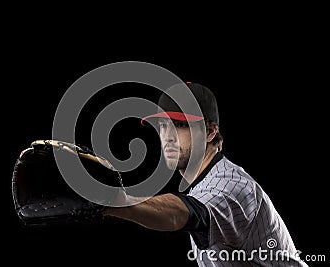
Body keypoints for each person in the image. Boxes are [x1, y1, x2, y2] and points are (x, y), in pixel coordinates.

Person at [101, 82, 307, 266]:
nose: (168, 137)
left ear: (210, 132)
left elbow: (191, 213)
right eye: (163, 126)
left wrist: (115, 201)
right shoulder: (202, 184)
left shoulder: (232, 184)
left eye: (180, 125)